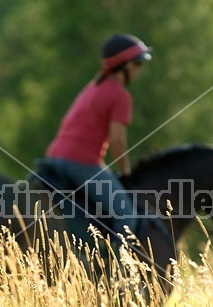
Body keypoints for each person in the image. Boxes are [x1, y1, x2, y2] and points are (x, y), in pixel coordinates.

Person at [44, 33, 152, 246]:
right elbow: (117, 141)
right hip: (81, 163)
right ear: (125, 67)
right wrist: (126, 173)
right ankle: (119, 275)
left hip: (54, 157)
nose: (140, 69)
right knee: (126, 214)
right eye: (138, 63)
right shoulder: (120, 96)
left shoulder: (93, 87)